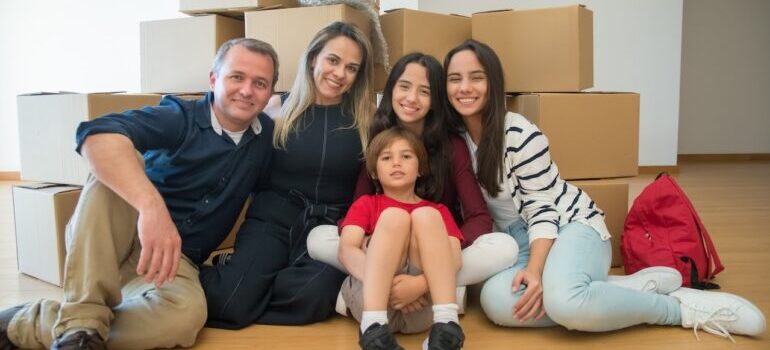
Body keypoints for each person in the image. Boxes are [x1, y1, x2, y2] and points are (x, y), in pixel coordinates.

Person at [443, 39, 766, 341]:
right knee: (496, 302)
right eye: (455, 79)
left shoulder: (520, 134)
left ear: (494, 83)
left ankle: (676, 308)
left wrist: (535, 270)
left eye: (477, 77)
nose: (465, 88)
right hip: (517, 239)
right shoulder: (454, 138)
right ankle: (618, 290)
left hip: (568, 225)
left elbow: (543, 209)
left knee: (566, 304)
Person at [0, 38, 278, 350]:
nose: (246, 90)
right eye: (236, 77)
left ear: (270, 94)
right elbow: (96, 135)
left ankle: (33, 323)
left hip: (173, 263)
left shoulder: (265, 137)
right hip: (113, 241)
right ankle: (80, 326)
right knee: (118, 155)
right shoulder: (179, 116)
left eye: (260, 83)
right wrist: (151, 208)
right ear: (213, 79)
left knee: (185, 318)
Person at [306, 52, 517, 318]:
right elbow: (357, 209)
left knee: (504, 247)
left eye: (424, 91)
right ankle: (441, 291)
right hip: (382, 246)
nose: (411, 98)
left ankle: (409, 289)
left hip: (431, 249)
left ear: (435, 100)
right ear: (392, 88)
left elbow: (479, 217)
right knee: (318, 238)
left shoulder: (452, 145)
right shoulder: (377, 136)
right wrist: (370, 241)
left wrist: (424, 278)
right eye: (404, 86)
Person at [199, 21, 376, 328]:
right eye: (333, 61)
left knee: (311, 298)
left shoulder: (366, 120)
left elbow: (369, 186)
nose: (339, 74)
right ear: (313, 59)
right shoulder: (273, 108)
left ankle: (248, 279)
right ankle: (240, 281)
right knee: (232, 303)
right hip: (273, 221)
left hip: (329, 229)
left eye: (351, 68)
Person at [339, 127, 464, 350]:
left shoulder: (438, 211)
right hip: (373, 302)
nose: (397, 163)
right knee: (395, 218)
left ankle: (446, 324)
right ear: (374, 172)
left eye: (406, 156)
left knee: (425, 216)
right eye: (386, 158)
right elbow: (347, 250)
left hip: (422, 305)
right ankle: (373, 329)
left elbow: (453, 259)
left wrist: (417, 285)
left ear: (420, 169)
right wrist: (384, 286)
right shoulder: (367, 204)